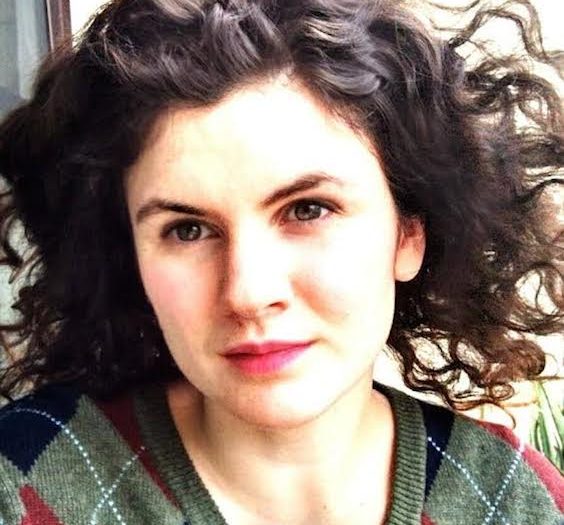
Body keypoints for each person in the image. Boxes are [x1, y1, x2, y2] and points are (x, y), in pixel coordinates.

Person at [0, 0, 562, 523]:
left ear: (408, 234)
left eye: (308, 209)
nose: (248, 293)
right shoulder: (22, 481)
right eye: (187, 230)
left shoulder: (517, 501)